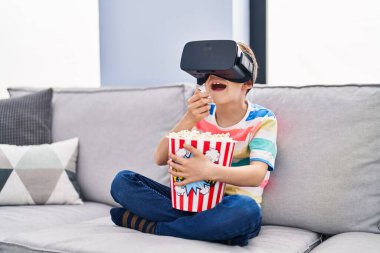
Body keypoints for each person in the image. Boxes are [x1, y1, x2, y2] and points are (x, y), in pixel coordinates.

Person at [109, 41, 278, 246]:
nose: (214, 76)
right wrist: (189, 119)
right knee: (123, 182)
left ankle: (155, 227)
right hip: (191, 201)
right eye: (208, 72)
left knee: (246, 211)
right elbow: (160, 158)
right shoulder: (201, 115)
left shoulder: (263, 120)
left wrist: (208, 170)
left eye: (224, 69)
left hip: (231, 206)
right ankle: (210, 230)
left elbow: (256, 175)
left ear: (247, 84)